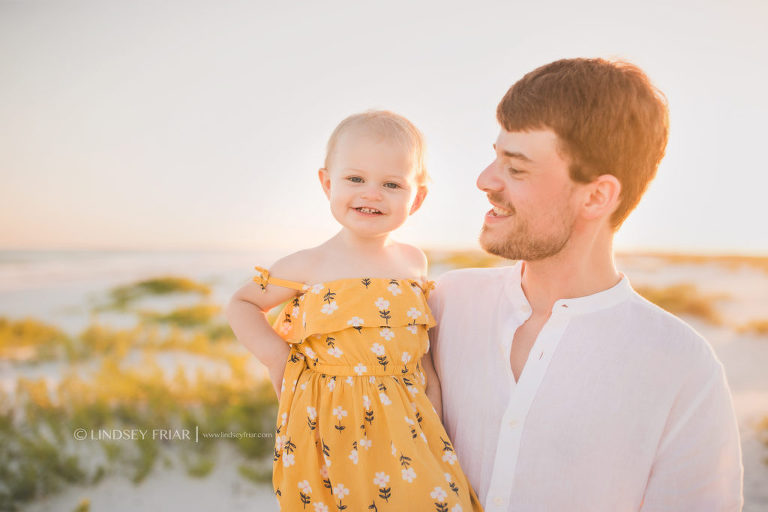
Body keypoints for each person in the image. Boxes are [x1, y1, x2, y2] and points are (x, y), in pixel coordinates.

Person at [428, 58, 744, 511]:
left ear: (596, 196)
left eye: (515, 169)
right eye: (495, 156)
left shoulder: (682, 369)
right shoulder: (444, 305)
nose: (485, 181)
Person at [226, 110, 483, 512]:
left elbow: (419, 345)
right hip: (328, 423)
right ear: (327, 183)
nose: (372, 193)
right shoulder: (307, 265)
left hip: (406, 421)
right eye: (355, 179)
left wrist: (433, 402)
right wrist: (279, 359)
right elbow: (242, 303)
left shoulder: (414, 262)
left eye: (391, 184)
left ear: (416, 198)